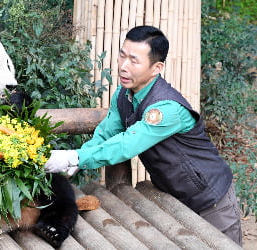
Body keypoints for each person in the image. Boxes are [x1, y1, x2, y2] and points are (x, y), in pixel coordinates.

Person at [44, 25, 242, 245]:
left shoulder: (167, 108)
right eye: (122, 55)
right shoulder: (124, 94)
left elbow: (127, 144)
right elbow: (107, 133)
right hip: (173, 199)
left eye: (134, 60)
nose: (123, 66)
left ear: (156, 67)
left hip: (211, 200)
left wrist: (75, 158)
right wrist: (79, 158)